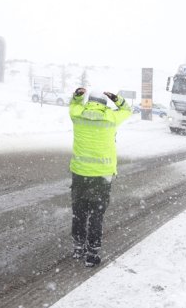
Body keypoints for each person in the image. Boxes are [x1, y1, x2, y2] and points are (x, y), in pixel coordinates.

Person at [68, 87, 132, 267]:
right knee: (96, 215)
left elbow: (73, 104)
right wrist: (117, 99)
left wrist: (77, 96)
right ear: (104, 104)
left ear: (89, 102)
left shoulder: (77, 115)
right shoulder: (111, 117)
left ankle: (78, 247)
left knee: (79, 213)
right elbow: (127, 109)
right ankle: (92, 253)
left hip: (80, 173)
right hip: (102, 176)